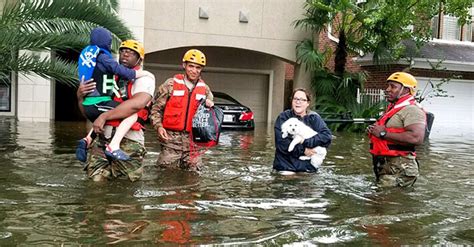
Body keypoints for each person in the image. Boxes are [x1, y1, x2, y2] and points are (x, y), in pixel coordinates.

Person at [77, 39, 155, 182]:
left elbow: (137, 104)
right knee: (94, 186)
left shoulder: (145, 78)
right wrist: (80, 97)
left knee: (125, 190)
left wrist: (104, 116)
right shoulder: (107, 76)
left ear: (139, 59)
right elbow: (88, 113)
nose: (125, 55)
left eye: (131, 53)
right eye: (123, 51)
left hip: (129, 140)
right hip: (102, 138)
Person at [150, 49, 214, 172]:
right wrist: (158, 127)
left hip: (194, 144)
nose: (194, 70)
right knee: (166, 176)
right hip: (170, 142)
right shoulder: (170, 85)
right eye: (191, 66)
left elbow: (210, 118)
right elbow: (155, 109)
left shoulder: (205, 90)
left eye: (198, 68)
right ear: (184, 65)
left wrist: (209, 106)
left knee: (193, 180)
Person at [367, 71, 426, 187]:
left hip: (400, 167)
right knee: (380, 202)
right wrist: (373, 131)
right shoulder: (394, 108)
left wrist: (383, 133)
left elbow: (416, 138)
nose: (388, 89)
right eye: (388, 86)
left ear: (406, 90)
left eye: (393, 87)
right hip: (387, 165)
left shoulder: (412, 110)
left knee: (383, 202)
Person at [273, 88, 332, 173]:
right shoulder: (283, 117)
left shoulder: (314, 118)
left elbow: (326, 137)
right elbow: (281, 144)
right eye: (296, 99)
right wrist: (304, 150)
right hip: (285, 166)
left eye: (302, 100)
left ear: (307, 103)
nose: (298, 102)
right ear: (292, 101)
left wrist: (305, 141)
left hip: (307, 167)